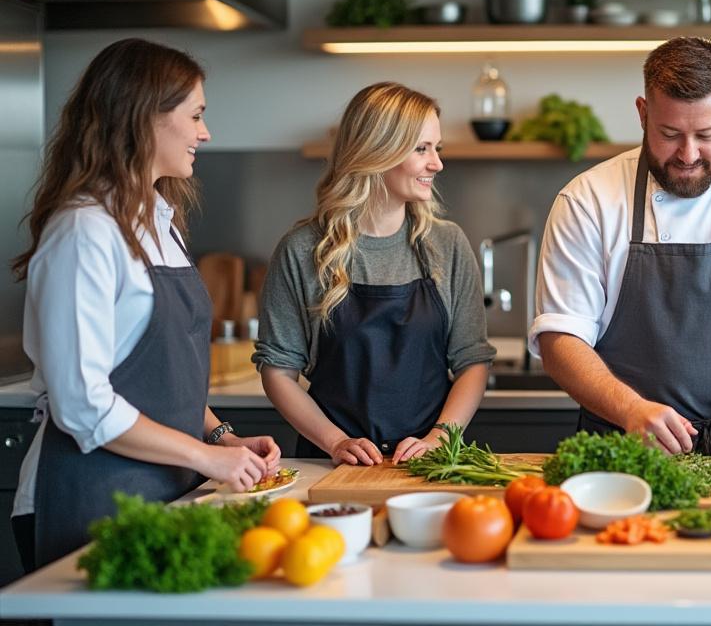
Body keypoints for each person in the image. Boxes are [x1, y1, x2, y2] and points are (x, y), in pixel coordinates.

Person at [9, 38, 280, 570]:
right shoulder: (84, 232)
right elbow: (83, 405)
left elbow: (167, 374)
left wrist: (223, 436)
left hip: (164, 488)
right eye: (196, 115)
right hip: (91, 499)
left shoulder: (159, 224)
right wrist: (207, 458)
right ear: (144, 117)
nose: (206, 133)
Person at [530, 37, 711, 474]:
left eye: (706, 136)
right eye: (670, 135)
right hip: (621, 454)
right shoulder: (586, 200)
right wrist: (631, 409)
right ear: (643, 112)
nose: (688, 155)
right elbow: (560, 339)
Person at [256, 82, 494, 466]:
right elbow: (278, 372)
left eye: (437, 148)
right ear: (377, 151)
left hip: (430, 464)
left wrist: (439, 437)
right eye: (422, 149)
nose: (437, 164)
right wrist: (335, 442)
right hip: (331, 463)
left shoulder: (447, 244)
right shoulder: (302, 250)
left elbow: (473, 361)